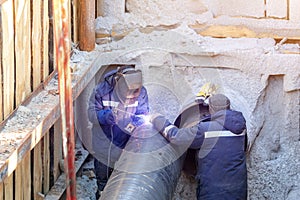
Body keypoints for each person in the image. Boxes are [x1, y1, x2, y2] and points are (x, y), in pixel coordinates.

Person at [151, 93, 247, 200]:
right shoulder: (241, 127)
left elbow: (177, 137)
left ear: (210, 109)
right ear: (228, 107)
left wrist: (157, 119)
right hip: (238, 190)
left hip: (214, 192)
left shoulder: (205, 129)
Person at [87, 66, 149, 196]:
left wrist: (133, 125)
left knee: (123, 184)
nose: (130, 99)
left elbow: (143, 115)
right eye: (128, 95)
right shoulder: (101, 91)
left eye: (133, 96)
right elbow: (91, 114)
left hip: (126, 148)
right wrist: (106, 116)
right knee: (103, 183)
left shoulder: (141, 93)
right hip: (104, 146)